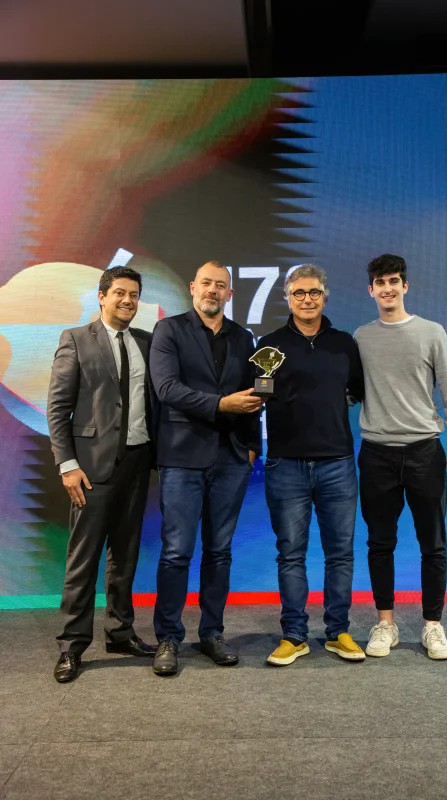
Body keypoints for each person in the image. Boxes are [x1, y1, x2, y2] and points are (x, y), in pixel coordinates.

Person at [149, 260, 262, 675]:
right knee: (176, 552)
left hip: (231, 459)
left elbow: (253, 395)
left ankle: (212, 633)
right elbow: (167, 389)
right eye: (206, 283)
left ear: (230, 293)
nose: (213, 290)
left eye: (221, 285)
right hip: (182, 458)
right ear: (193, 287)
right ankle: (168, 637)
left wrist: (253, 445)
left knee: (219, 552)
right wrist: (220, 404)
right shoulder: (169, 330)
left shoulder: (244, 337)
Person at [47, 265, 156, 683]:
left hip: (137, 462)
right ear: (102, 296)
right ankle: (71, 645)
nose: (128, 301)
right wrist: (68, 465)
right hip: (89, 469)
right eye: (120, 293)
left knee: (125, 557)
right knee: (83, 559)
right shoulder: (75, 339)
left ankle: (120, 633)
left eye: (134, 295)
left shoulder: (146, 342)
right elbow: (58, 407)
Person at [354, 253, 447, 660]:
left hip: (424, 452)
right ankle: (385, 624)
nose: (387, 288)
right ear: (371, 290)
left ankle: (433, 625)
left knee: (432, 543)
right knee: (379, 543)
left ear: (405, 286)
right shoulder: (361, 338)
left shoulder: (431, 332)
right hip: (375, 453)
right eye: (380, 282)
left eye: (394, 281)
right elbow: (351, 391)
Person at [258, 264, 365, 666]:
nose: (307, 299)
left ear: (325, 296)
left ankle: (338, 632)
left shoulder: (344, 344)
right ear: (287, 297)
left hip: (337, 463)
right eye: (299, 292)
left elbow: (357, 391)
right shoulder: (269, 345)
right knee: (290, 554)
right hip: (285, 464)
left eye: (314, 292)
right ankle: (294, 635)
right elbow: (257, 398)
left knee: (340, 554)